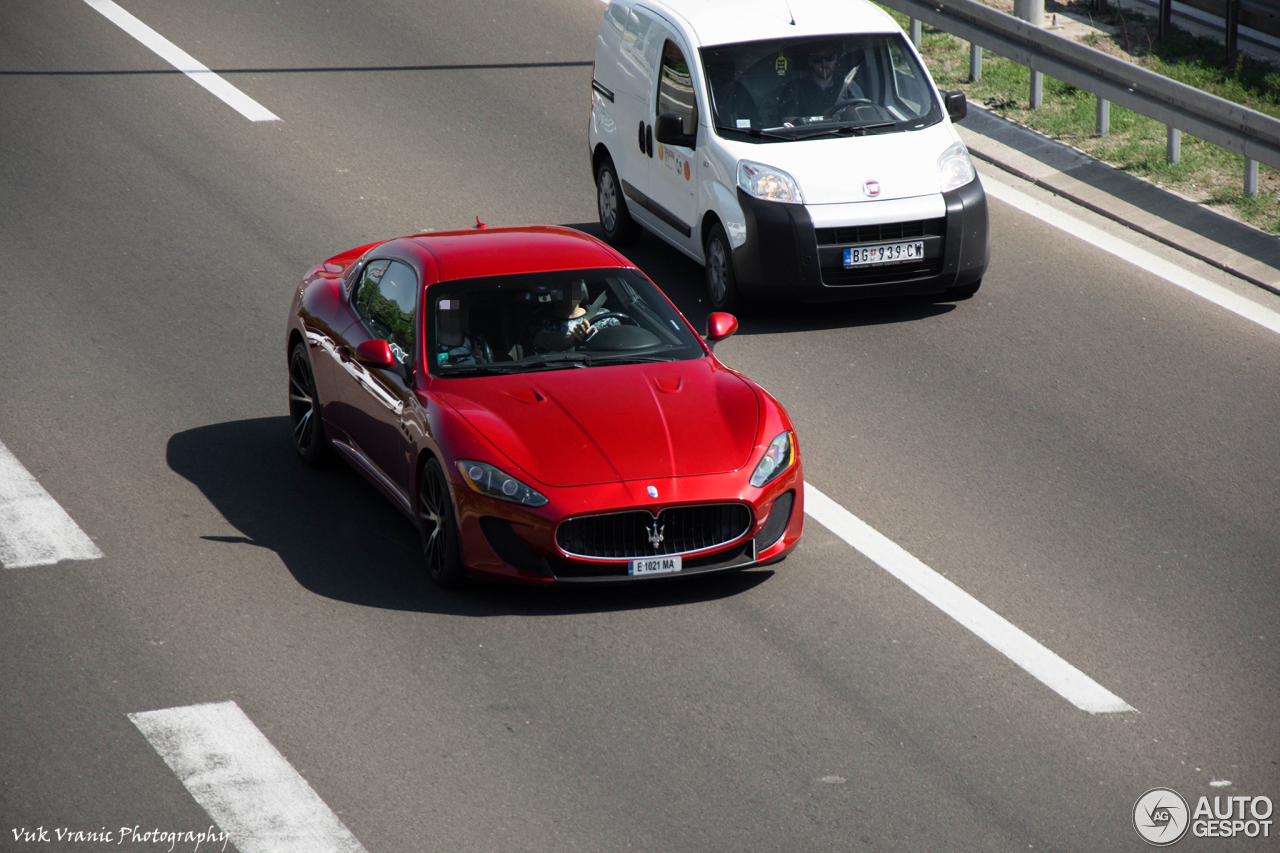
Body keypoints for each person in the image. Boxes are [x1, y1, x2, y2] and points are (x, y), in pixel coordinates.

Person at [527, 280, 621, 353]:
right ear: (554, 290)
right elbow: (545, 339)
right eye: (565, 284)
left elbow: (621, 341)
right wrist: (570, 340)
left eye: (576, 282)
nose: (572, 288)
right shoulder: (542, 321)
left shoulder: (604, 316)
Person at [779, 42, 863, 121]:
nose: (824, 63)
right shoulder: (795, 88)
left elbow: (864, 115)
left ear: (835, 58)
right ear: (810, 61)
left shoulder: (849, 85)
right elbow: (788, 120)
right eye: (817, 59)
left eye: (828, 57)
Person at [435, 295, 491, 366]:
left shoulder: (476, 342)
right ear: (438, 315)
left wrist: (481, 361)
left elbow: (489, 371)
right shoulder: (428, 346)